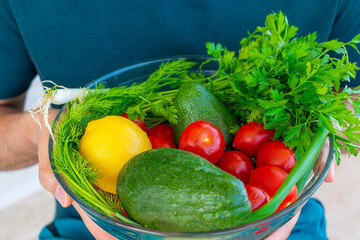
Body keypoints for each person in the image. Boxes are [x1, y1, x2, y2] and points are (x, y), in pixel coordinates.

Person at [0, 0, 359, 239]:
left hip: (277, 223)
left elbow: (348, 94)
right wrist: (42, 130)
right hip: (99, 219)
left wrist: (320, 129)